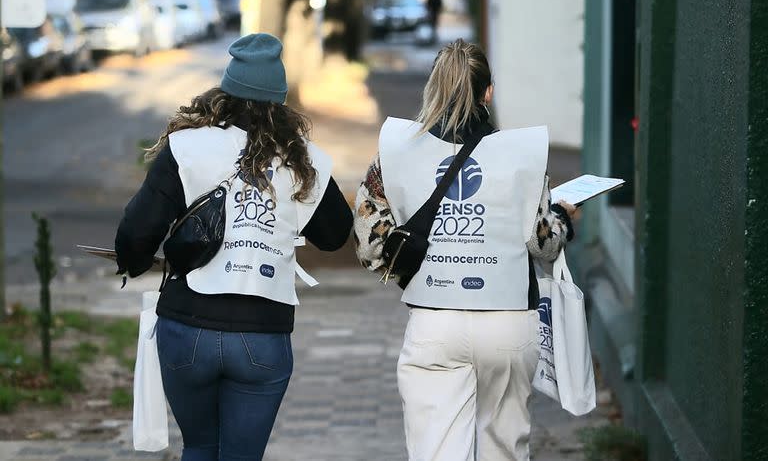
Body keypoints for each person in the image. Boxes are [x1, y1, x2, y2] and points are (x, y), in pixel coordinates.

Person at [115, 33, 352, 461]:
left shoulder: (187, 147)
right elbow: (336, 235)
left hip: (187, 330)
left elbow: (135, 234)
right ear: (280, 99)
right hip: (261, 336)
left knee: (201, 446)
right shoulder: (303, 160)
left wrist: (132, 264)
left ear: (226, 91)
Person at [354, 39, 576, 461]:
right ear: (488, 91)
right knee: (505, 449)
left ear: (433, 87)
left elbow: (369, 248)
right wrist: (563, 218)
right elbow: (543, 243)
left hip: (435, 322)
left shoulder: (393, 151)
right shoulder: (522, 155)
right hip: (508, 320)